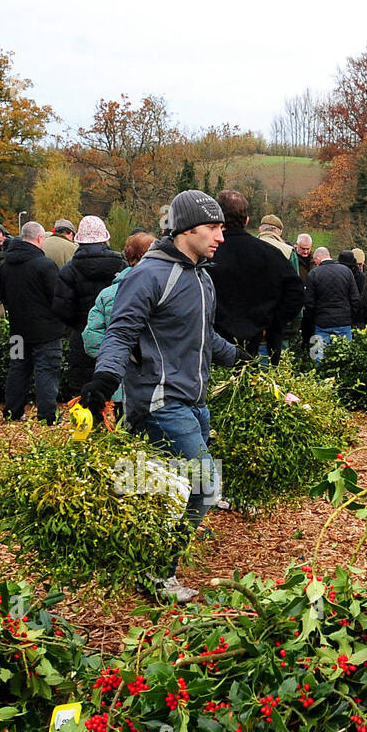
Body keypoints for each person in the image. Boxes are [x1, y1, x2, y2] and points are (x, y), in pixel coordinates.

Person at [79, 189, 239, 604]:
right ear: (186, 229)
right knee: (206, 484)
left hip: (195, 402)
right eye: (212, 228)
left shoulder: (202, 277)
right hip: (160, 401)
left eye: (222, 227)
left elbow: (204, 336)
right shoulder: (147, 275)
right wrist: (103, 381)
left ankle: (127, 544)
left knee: (157, 483)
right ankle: (156, 572)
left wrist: (241, 361)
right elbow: (120, 333)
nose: (221, 236)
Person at [207, 190, 303, 367]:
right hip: (260, 344)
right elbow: (296, 293)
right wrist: (273, 323)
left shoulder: (207, 255)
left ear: (217, 220)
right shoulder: (271, 254)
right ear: (247, 221)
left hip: (214, 347)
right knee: (259, 394)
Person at [0, 220, 67, 423]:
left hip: (17, 331)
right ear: (39, 238)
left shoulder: (5, 265)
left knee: (17, 368)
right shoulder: (44, 265)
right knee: (46, 371)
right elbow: (57, 296)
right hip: (46, 332)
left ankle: (13, 411)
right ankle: (46, 416)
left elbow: (3, 295)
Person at [53, 215, 125, 397]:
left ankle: (87, 422)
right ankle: (120, 423)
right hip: (117, 334)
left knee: (83, 388)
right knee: (117, 385)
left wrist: (79, 324)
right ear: (105, 238)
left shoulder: (69, 270)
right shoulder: (121, 265)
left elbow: (61, 307)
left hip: (82, 335)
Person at [82, 231, 156, 401]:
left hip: (117, 384)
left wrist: (114, 356)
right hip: (157, 385)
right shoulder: (163, 291)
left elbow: (90, 338)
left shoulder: (107, 294)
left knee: (124, 424)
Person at [305, 247, 360, 357]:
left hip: (322, 323)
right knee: (345, 357)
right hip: (343, 322)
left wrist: (314, 318)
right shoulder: (346, 271)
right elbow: (355, 298)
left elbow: (309, 303)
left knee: (320, 357)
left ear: (318, 259)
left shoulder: (314, 273)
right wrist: (351, 317)